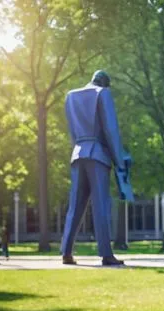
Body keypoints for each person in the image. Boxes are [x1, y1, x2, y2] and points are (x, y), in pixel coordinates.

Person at [61, 70, 126, 266]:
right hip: (98, 154)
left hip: (78, 152)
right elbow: (110, 129)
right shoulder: (102, 93)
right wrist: (119, 161)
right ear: (105, 83)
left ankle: (66, 252)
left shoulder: (71, 96)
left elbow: (72, 131)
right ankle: (106, 254)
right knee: (101, 205)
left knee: (75, 206)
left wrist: (79, 147)